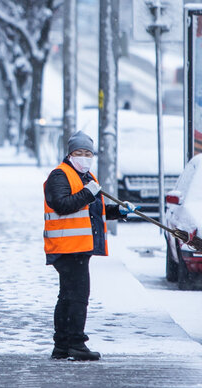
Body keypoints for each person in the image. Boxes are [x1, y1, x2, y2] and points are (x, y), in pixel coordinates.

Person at [43, 131, 136, 361]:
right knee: (77, 297)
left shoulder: (86, 177)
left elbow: (93, 212)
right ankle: (76, 344)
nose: (84, 157)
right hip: (66, 247)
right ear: (70, 153)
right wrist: (87, 193)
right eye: (79, 153)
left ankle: (63, 346)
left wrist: (119, 211)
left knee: (68, 296)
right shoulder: (60, 176)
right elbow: (62, 205)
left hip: (78, 246)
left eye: (88, 153)